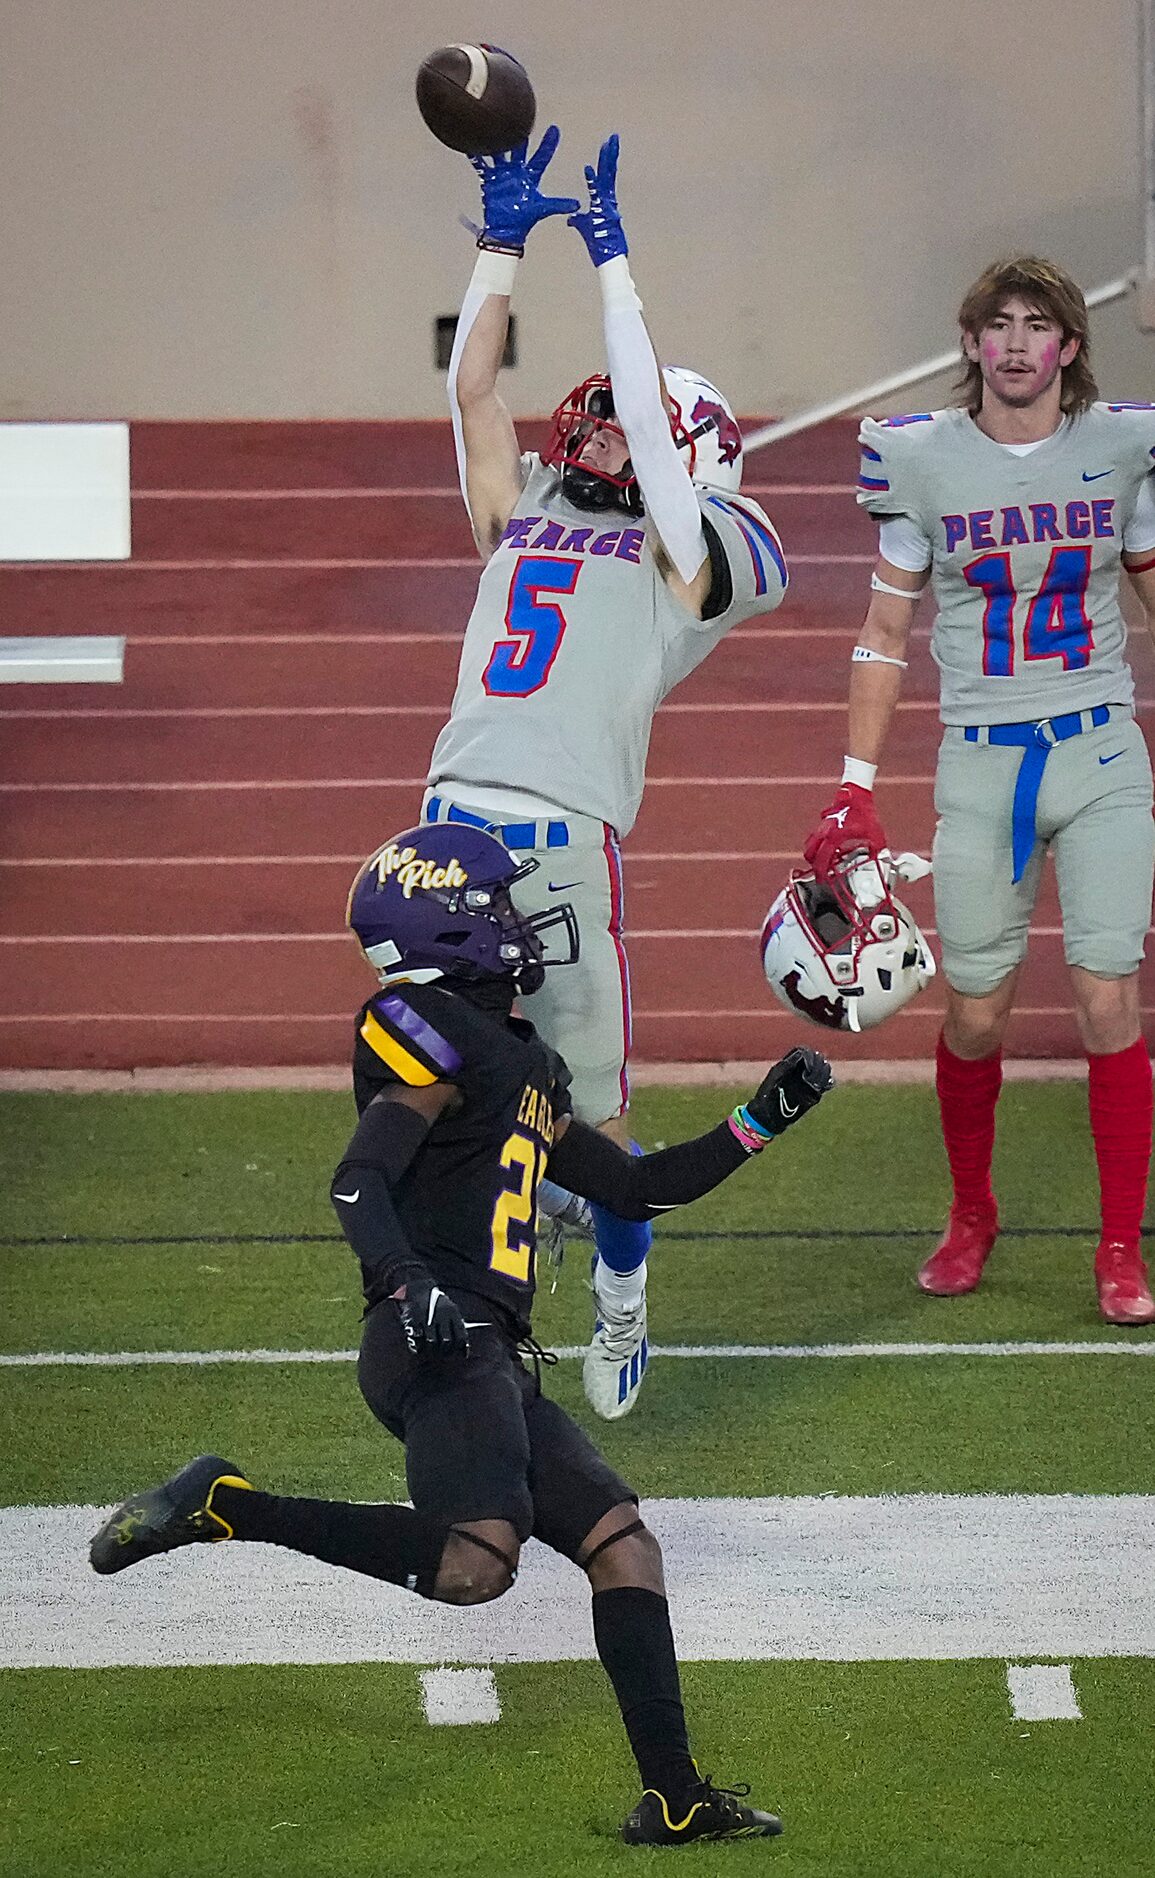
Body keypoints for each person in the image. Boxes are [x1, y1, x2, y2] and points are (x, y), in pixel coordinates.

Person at [90, 824, 832, 1846]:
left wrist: (759, 1121)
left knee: (626, 1548)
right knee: (474, 1565)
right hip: (434, 1334)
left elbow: (635, 1188)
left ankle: (674, 1798)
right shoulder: (426, 1029)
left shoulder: (517, 1056)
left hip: (489, 1351)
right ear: (451, 927)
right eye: (500, 908)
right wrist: (405, 1285)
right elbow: (359, 1179)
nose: (521, 924)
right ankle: (229, 1506)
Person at [424, 128, 789, 1418]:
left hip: (563, 845)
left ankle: (624, 1296)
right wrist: (501, 246)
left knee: (595, 1129)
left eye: (644, 436)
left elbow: (648, 427)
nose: (610, 435)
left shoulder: (704, 553)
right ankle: (469, 1291)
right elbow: (471, 392)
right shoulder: (531, 500)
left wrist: (619, 263)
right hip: (447, 829)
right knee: (452, 1101)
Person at [801, 255, 1155, 1324]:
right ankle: (971, 1213)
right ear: (969, 344)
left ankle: (1119, 1248)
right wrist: (854, 785)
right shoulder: (921, 462)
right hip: (984, 760)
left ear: (1069, 346)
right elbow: (883, 634)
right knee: (975, 1013)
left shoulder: (1123, 447)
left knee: (1108, 997)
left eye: (1034, 324)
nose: (1013, 343)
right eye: (994, 324)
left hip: (1098, 751)